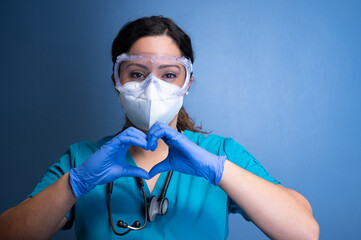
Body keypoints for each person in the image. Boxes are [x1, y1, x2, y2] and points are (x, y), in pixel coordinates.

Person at [0, 16, 319, 240]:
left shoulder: (219, 154)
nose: (153, 87)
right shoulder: (82, 160)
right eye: (137, 73)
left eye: (169, 74)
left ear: (187, 83)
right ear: (116, 81)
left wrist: (219, 172)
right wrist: (77, 183)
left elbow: (304, 232)